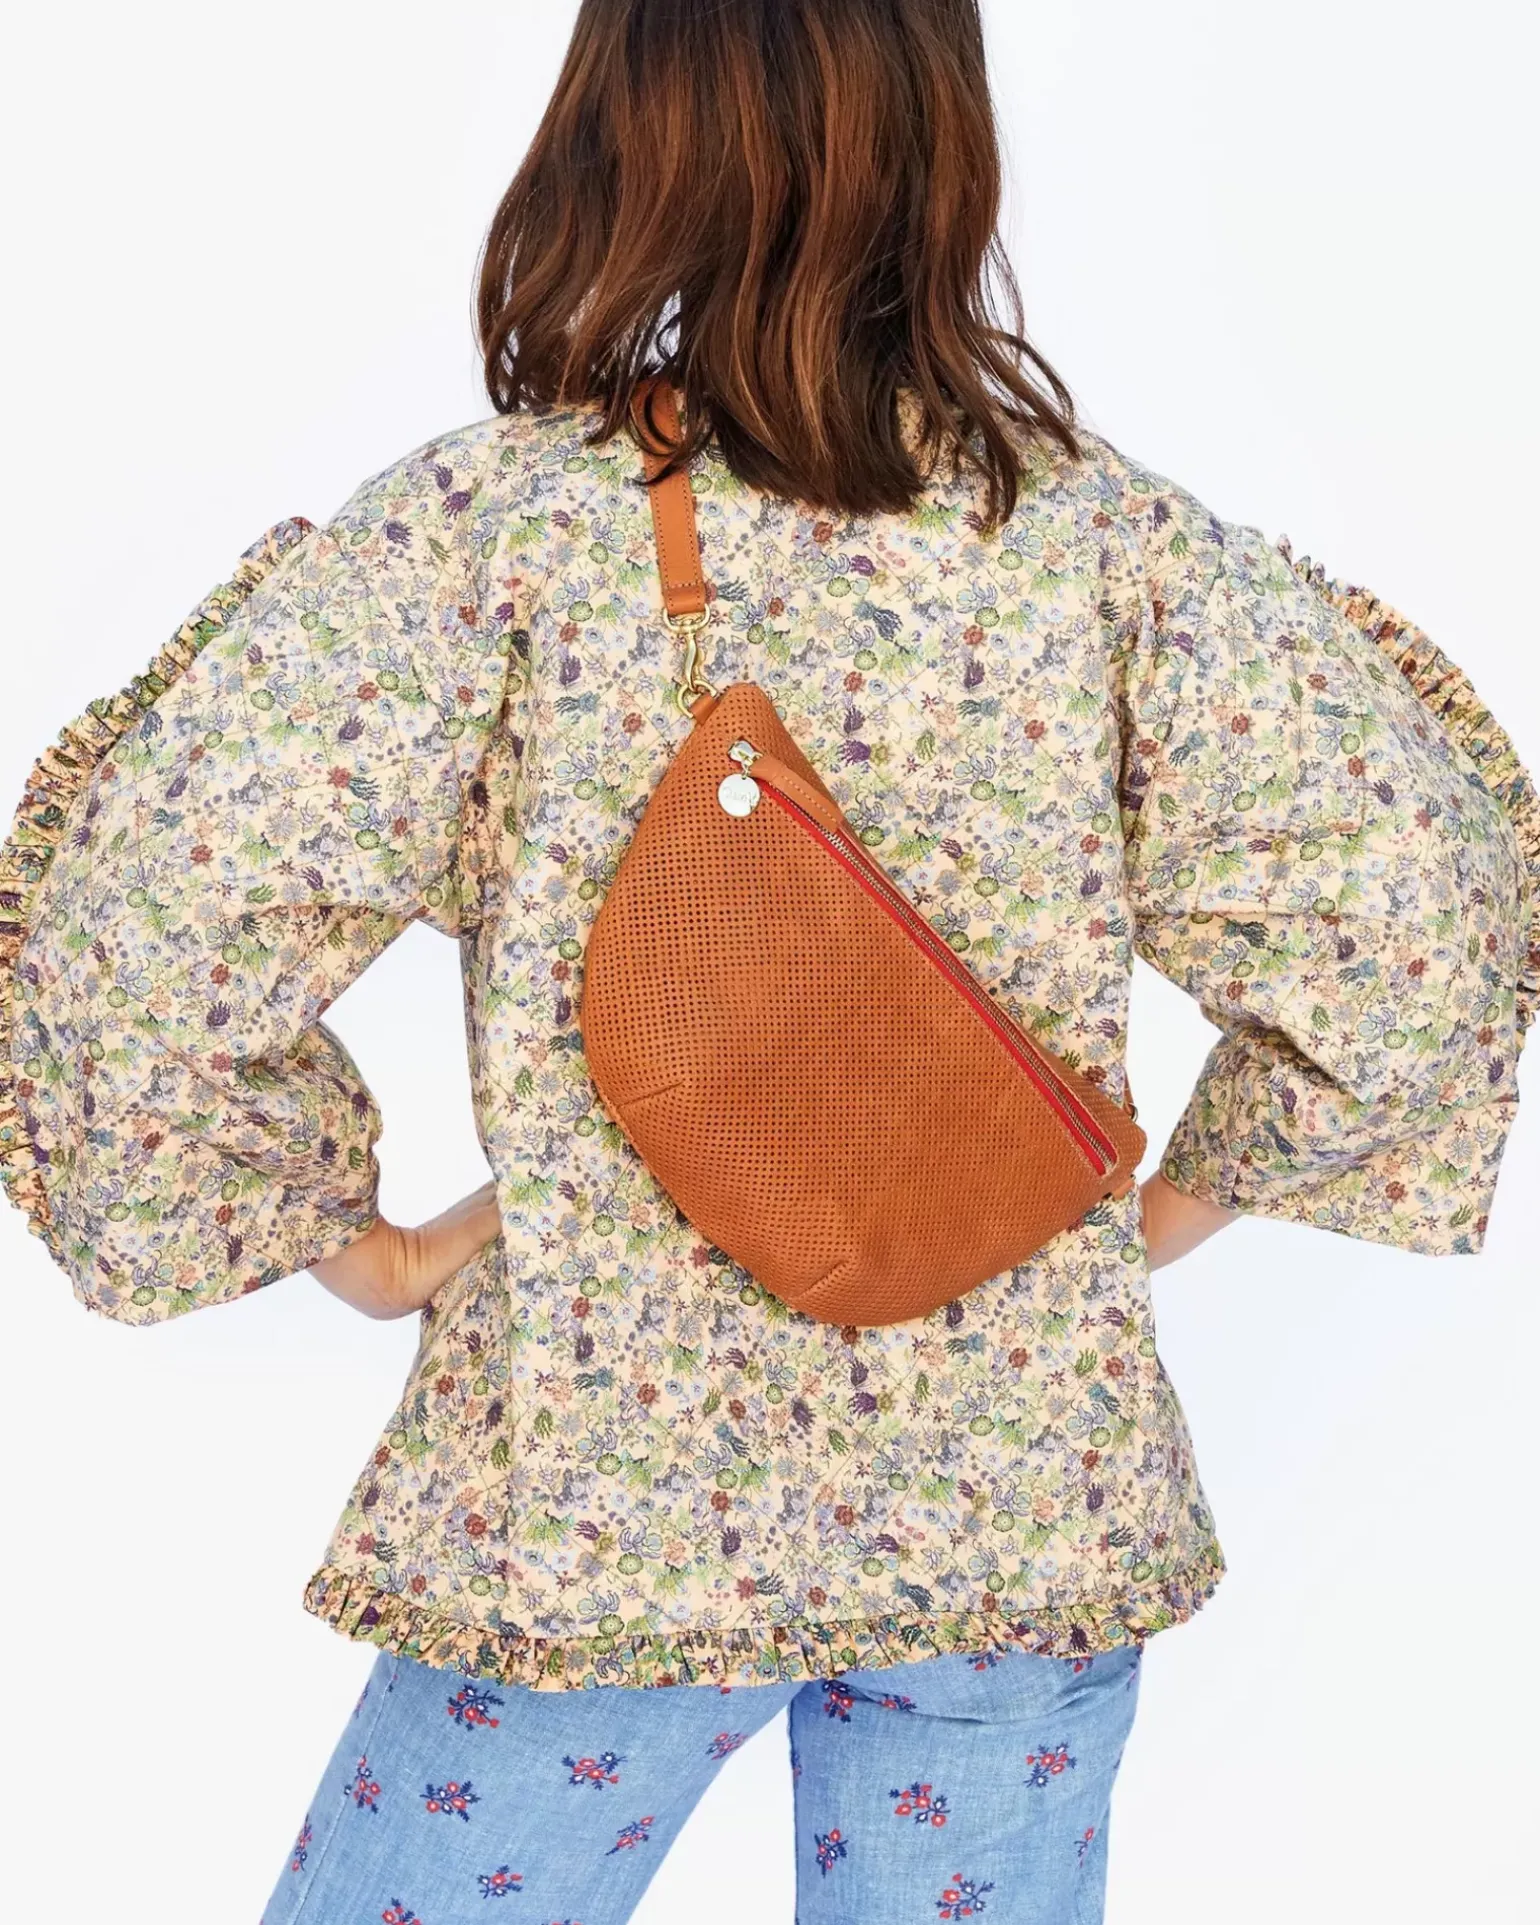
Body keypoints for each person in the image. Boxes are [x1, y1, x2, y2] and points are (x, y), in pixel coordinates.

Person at [1, 3, 1532, 1922]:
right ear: (947, 143)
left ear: (620, 130)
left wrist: (359, 1247)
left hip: (597, 1517)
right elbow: (1425, 923)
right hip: (1019, 1523)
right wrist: (1107, 1230)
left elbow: (146, 924)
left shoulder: (490, 538)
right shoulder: (1109, 549)